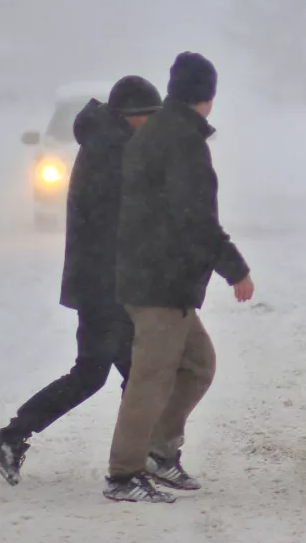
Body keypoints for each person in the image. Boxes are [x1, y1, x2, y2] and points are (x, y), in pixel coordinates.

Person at [0, 75, 162, 486]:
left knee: (135, 374)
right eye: (146, 117)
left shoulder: (112, 143)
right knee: (97, 373)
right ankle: (13, 436)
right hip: (104, 284)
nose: (150, 124)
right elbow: (118, 223)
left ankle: (141, 454)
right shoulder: (109, 151)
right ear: (128, 115)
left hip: (107, 281)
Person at [103, 52, 255, 503]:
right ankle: (123, 474)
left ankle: (157, 452)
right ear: (207, 97)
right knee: (150, 378)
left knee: (197, 365)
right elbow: (195, 218)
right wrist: (235, 268)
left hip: (160, 277)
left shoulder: (162, 133)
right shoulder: (181, 141)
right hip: (159, 280)